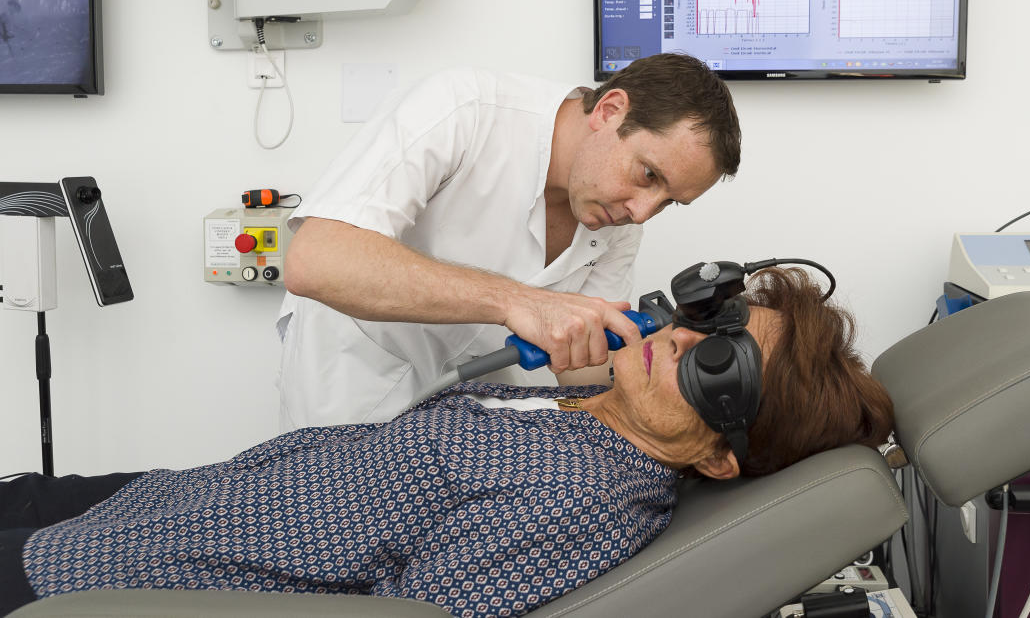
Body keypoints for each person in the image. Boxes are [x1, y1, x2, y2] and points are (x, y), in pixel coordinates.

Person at [1, 268, 893, 618]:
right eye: (720, 322)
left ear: (719, 456)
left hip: (131, 573)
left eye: (723, 365)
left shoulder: (584, 498)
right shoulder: (594, 406)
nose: (689, 340)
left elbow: (406, 616)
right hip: (164, 499)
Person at [276, 54, 743, 429]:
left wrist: (661, 376)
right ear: (610, 110)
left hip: (469, 409)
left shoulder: (619, 223)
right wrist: (515, 302)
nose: (641, 212)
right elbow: (317, 259)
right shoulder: (465, 109)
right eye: (648, 175)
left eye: (668, 202)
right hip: (351, 377)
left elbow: (578, 371)